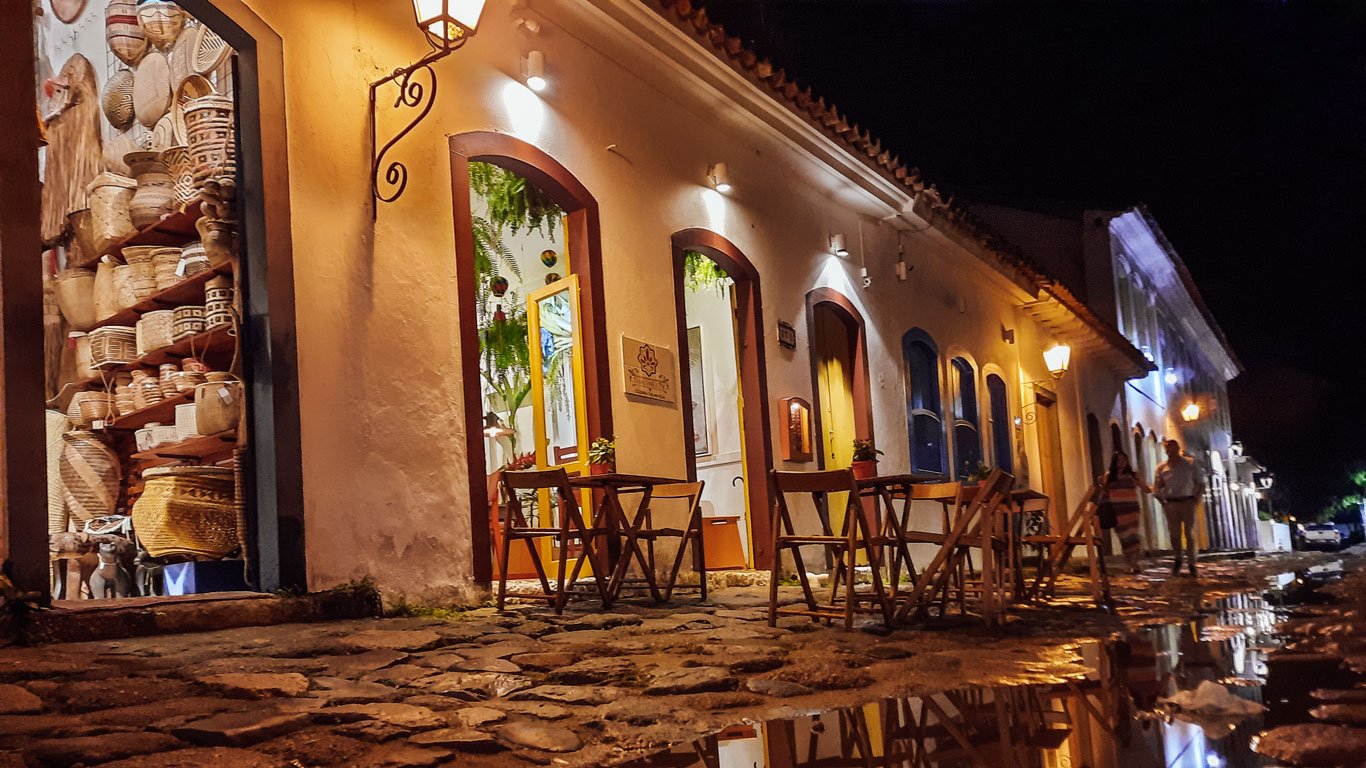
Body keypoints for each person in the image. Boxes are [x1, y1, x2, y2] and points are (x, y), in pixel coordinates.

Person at [1154, 439, 1205, 577]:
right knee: (1174, 534)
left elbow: (1200, 483)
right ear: (1166, 451)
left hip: (1188, 501)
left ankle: (1192, 563)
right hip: (1171, 503)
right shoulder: (1161, 468)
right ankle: (1178, 559)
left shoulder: (1190, 463)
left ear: (1178, 449)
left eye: (1173, 449)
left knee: (1189, 533)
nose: (1171, 452)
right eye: (1168, 450)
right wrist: (1161, 500)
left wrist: (1196, 499)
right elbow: (1158, 486)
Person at [1098, 451, 1149, 574]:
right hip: (1117, 512)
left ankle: (1135, 562)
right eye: (1119, 460)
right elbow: (1104, 492)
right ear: (1114, 462)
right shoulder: (1109, 476)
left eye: (1124, 460)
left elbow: (1145, 487)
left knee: (1133, 536)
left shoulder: (1133, 475)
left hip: (1132, 510)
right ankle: (1130, 562)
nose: (1121, 463)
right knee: (1124, 538)